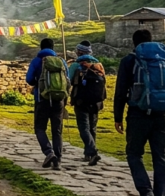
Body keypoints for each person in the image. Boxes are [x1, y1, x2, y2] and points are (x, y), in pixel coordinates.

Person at [114, 29, 165, 196]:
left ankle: (146, 192)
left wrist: (118, 117)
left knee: (134, 153)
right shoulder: (164, 59)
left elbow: (120, 92)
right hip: (162, 114)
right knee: (161, 157)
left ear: (134, 43)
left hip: (138, 114)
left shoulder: (129, 61)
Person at [26, 38, 68, 170]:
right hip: (59, 100)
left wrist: (37, 83)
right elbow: (67, 79)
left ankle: (49, 153)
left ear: (40, 47)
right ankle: (58, 160)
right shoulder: (61, 61)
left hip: (42, 99)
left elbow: (29, 79)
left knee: (40, 128)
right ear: (53, 48)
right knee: (57, 131)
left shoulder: (37, 61)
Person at [69, 46, 106, 166]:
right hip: (96, 102)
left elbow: (68, 80)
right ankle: (88, 154)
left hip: (81, 101)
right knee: (92, 128)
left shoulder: (76, 65)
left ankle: (92, 152)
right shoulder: (98, 65)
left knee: (84, 128)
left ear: (79, 52)